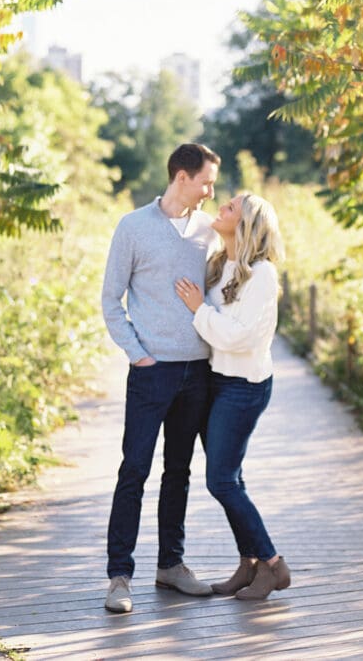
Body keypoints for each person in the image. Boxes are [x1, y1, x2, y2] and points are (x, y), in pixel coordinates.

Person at [100, 143, 221, 614]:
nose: (211, 191)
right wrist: (139, 355)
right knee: (134, 470)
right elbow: (111, 300)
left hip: (198, 371)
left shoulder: (208, 231)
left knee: (179, 472)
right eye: (206, 182)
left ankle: (171, 565)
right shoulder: (133, 227)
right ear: (182, 177)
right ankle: (119, 577)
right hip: (152, 373)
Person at [174, 192, 291, 601]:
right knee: (232, 478)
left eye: (231, 207)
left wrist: (198, 310)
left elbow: (239, 337)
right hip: (216, 380)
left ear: (246, 225)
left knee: (221, 481)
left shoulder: (262, 274)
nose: (221, 207)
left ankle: (273, 565)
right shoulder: (220, 265)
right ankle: (249, 564)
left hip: (244, 386)